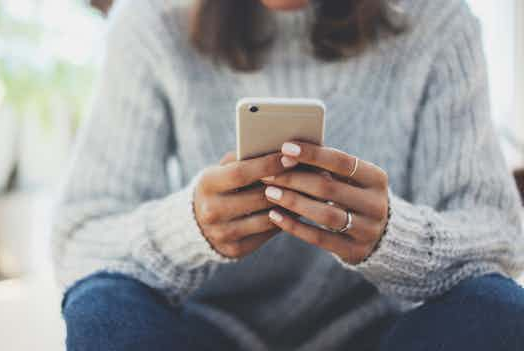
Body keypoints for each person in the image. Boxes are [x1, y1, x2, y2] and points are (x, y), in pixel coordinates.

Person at [53, 0, 524, 350]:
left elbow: (498, 238)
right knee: (102, 306)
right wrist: (188, 228)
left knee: (496, 309)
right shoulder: (150, 20)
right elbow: (79, 240)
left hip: (380, 333)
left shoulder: (436, 20)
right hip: (207, 331)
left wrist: (392, 237)